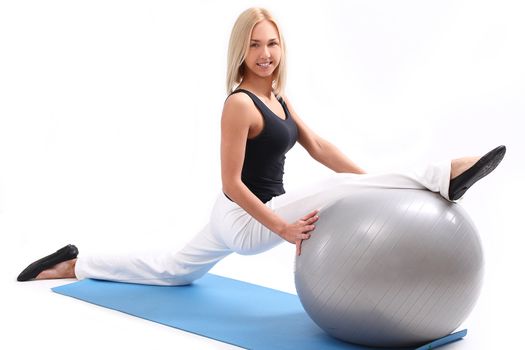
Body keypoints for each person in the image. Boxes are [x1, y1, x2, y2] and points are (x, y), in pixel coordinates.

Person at [17, 7, 506, 285]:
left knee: (171, 271)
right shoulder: (240, 104)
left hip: (241, 212)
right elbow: (230, 182)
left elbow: (318, 145)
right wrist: (284, 228)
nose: (265, 54)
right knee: (344, 190)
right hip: (245, 218)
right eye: (255, 45)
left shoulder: (279, 98)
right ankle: (445, 173)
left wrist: (367, 181)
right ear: (241, 51)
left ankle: (73, 263)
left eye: (272, 43)